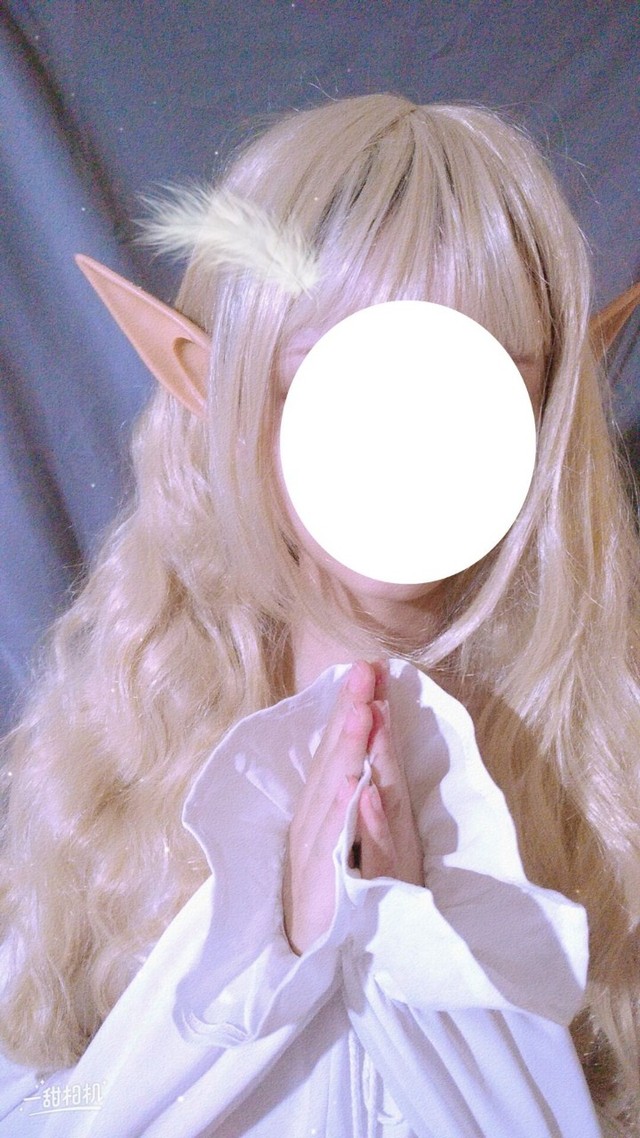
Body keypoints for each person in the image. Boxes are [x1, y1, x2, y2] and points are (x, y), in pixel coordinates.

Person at [0, 92, 638, 1137]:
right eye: (339, 387)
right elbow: (49, 1107)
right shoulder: (104, 794)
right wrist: (276, 947)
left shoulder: (609, 800)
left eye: (476, 389)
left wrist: (421, 965)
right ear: (214, 387)